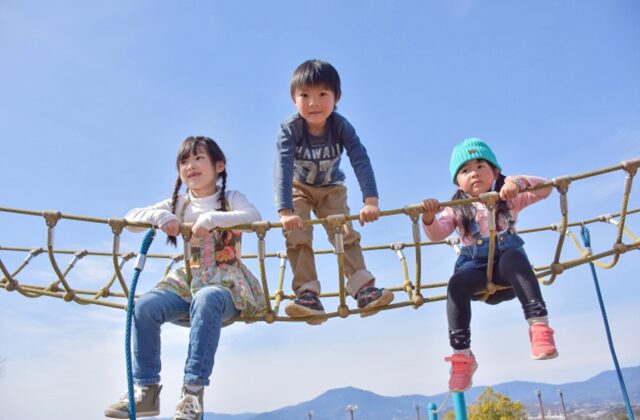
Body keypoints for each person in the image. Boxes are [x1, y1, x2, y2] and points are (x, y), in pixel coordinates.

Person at [105, 136, 266, 420]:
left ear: (219, 166)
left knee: (206, 299)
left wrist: (214, 219)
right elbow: (130, 218)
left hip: (225, 282)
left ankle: (192, 392)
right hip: (188, 279)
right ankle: (146, 389)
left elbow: (253, 217)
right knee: (144, 306)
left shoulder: (229, 199)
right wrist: (158, 217)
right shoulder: (178, 203)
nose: (190, 166)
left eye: (198, 158)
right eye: (183, 161)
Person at [421, 137, 558, 393]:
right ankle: (462, 356)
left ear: (495, 170)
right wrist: (428, 217)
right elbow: (438, 234)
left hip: (509, 274)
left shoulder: (509, 197)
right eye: (465, 170)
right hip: (476, 273)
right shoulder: (457, 208)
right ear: (458, 182)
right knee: (456, 284)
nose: (474, 173)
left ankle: (539, 327)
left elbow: (545, 189)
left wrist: (517, 182)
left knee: (516, 256)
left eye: (481, 165)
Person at [274, 59, 393, 325]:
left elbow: (360, 159)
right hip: (299, 188)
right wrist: (285, 211)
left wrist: (371, 201)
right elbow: (282, 166)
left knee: (344, 232)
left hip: (331, 188)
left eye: (322, 94)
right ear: (294, 99)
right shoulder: (290, 129)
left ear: (336, 97)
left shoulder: (341, 126)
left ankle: (363, 288)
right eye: (305, 95)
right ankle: (307, 294)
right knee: (297, 234)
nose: (313, 102)